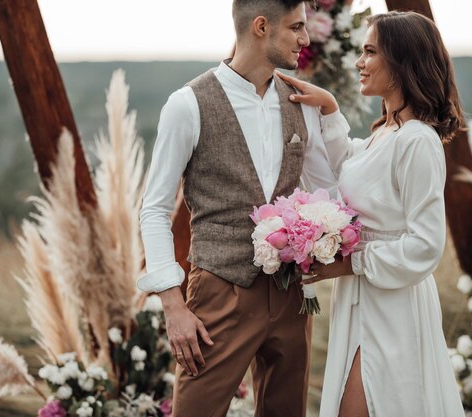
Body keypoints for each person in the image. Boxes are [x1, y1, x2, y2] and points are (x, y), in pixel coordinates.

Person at [136, 1, 338, 416]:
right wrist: (173, 307)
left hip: (291, 296)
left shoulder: (302, 101)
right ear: (261, 26)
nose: (305, 39)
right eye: (296, 27)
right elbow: (154, 209)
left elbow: (328, 192)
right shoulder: (187, 103)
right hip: (218, 294)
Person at [276, 11, 466, 417]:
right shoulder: (386, 134)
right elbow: (347, 170)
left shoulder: (417, 142)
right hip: (361, 298)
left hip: (394, 305)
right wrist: (328, 108)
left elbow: (425, 246)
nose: (359, 63)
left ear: (401, 62)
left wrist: (351, 263)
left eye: (369, 52)